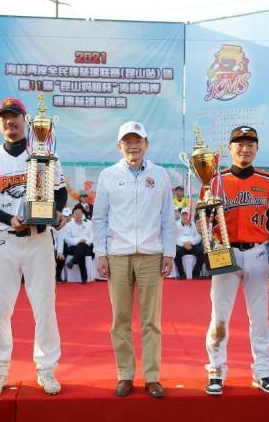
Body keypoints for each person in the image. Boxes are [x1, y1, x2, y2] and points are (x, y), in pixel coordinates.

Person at [0, 97, 68, 397]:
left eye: (14, 116)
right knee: (0, 309)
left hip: (39, 239)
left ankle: (46, 369)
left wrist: (55, 214)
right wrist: (9, 219)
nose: (9, 122)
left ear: (25, 120)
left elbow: (60, 193)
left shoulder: (44, 153)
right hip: (4, 239)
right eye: (3, 117)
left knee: (45, 307)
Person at [93, 121, 176, 398]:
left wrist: (169, 251)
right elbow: (100, 218)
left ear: (146, 144)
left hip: (151, 256)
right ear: (119, 146)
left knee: (152, 321)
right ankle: (125, 375)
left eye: (137, 140)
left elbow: (167, 217)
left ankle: (152, 377)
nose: (133, 146)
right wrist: (101, 252)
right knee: (120, 320)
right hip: (118, 255)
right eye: (127, 141)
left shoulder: (160, 175)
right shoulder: (108, 176)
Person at [203, 125, 269, 396]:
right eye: (239, 144)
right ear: (230, 149)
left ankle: (262, 371)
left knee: (259, 318)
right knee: (219, 317)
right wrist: (202, 225)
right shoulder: (214, 181)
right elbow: (204, 221)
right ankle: (216, 370)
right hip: (224, 254)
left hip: (258, 253)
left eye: (250, 144)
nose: (245, 149)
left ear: (257, 148)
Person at [63, 205, 94, 284]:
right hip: (73, 247)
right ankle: (84, 278)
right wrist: (77, 242)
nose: (78, 215)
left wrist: (85, 241)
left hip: (86, 245)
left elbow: (92, 236)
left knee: (82, 247)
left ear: (82, 214)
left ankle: (73, 261)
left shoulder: (88, 224)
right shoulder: (69, 225)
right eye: (76, 213)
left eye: (80, 213)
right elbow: (66, 238)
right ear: (73, 215)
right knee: (80, 249)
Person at [173, 208, 204, 279]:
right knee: (176, 254)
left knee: (201, 254)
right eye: (183, 215)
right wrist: (183, 244)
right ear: (181, 216)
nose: (185, 217)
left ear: (189, 216)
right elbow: (175, 237)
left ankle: (196, 273)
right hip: (181, 246)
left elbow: (198, 236)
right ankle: (181, 274)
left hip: (192, 245)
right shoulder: (176, 224)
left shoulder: (194, 224)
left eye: (186, 215)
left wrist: (191, 242)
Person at [54, 207, 72, 283]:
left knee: (60, 257)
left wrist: (59, 252)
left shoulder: (60, 225)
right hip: (47, 247)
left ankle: (58, 276)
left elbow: (60, 239)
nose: (66, 217)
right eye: (64, 216)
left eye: (67, 216)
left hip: (60, 247)